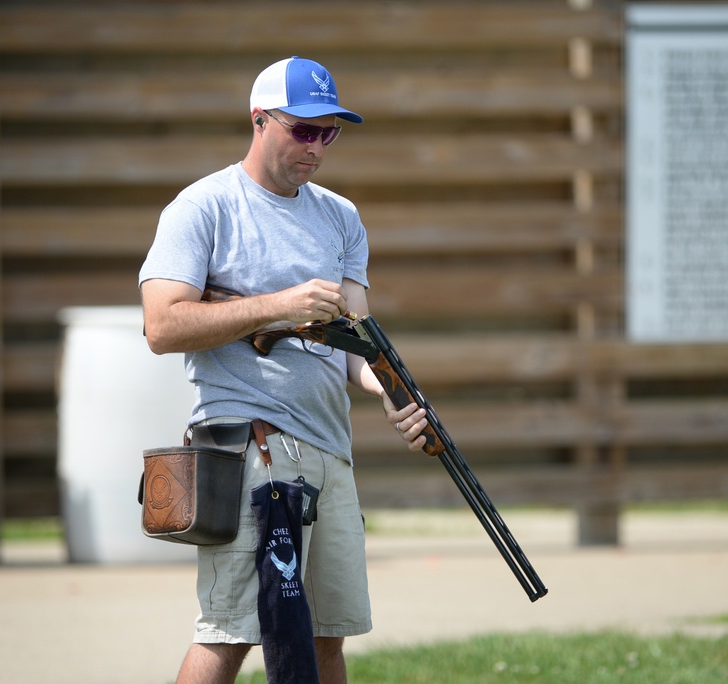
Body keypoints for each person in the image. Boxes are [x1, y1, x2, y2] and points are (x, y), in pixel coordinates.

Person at [139, 56, 428, 684]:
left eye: (330, 133)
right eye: (303, 130)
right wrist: (280, 307)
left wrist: (393, 394)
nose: (317, 147)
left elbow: (356, 342)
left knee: (328, 637)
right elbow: (160, 325)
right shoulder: (203, 207)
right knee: (232, 632)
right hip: (251, 449)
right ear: (259, 120)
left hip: (331, 449)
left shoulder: (341, 218)